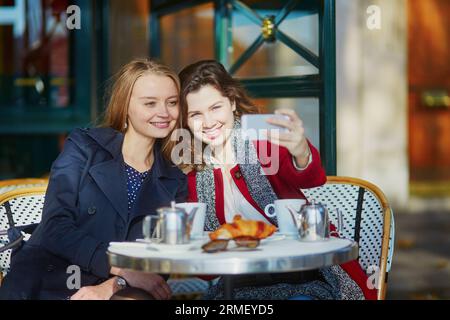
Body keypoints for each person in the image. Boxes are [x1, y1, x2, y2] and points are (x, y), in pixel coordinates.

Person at [177, 60, 377, 300]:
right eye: (196, 114)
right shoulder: (194, 174)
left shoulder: (263, 142)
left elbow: (311, 178)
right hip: (242, 286)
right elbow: (209, 270)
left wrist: (301, 150)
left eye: (215, 107)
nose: (208, 122)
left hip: (309, 275)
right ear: (186, 121)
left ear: (231, 102)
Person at [0, 58, 187, 300]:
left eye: (172, 102)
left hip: (117, 291)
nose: (164, 112)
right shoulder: (84, 147)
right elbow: (54, 226)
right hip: (44, 283)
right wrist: (121, 270)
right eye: (150, 103)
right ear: (125, 105)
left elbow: (161, 259)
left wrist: (113, 284)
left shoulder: (174, 179)